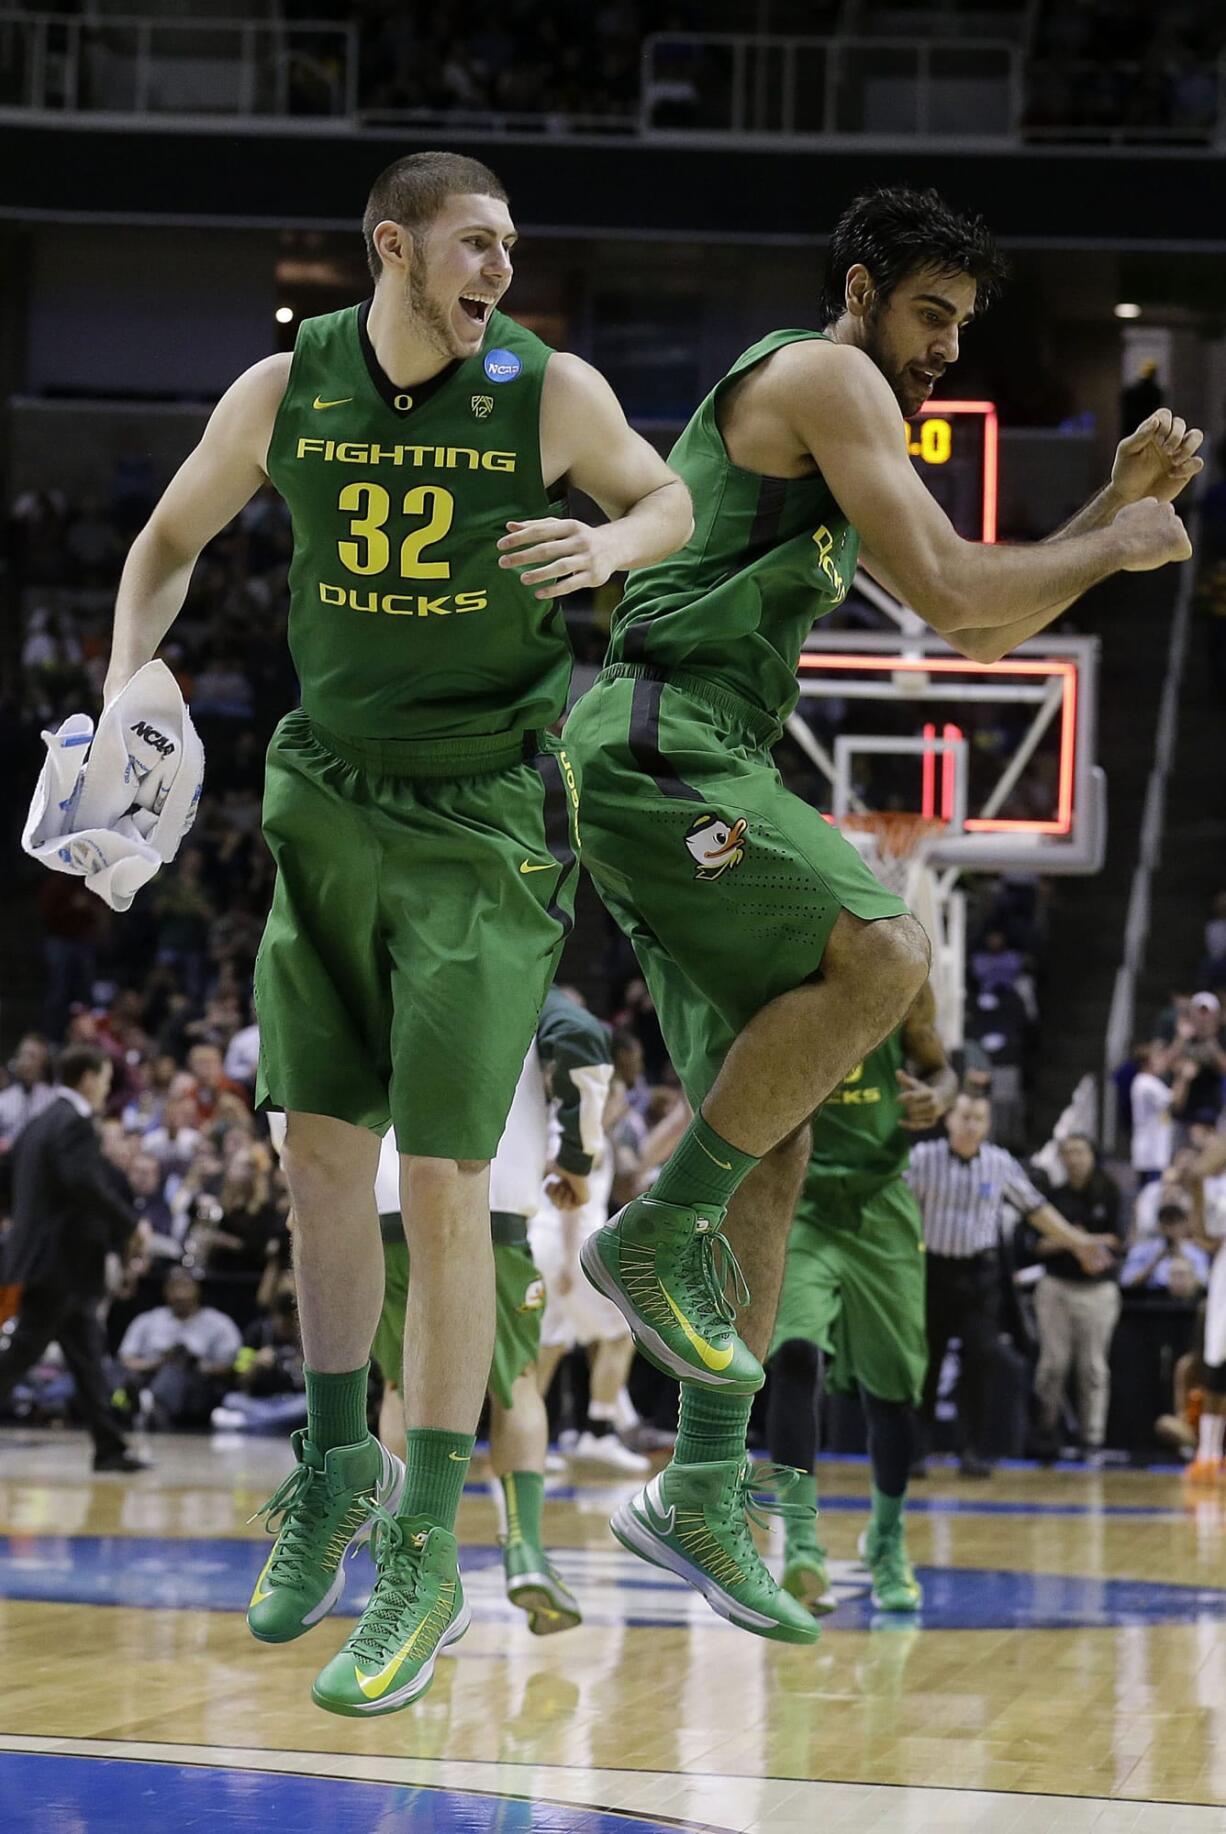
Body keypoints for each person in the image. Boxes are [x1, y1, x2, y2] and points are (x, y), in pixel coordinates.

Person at [560, 183, 1199, 1637]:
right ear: (860, 293)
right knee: (890, 944)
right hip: (668, 744)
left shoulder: (854, 404)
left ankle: (700, 1490)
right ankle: (652, 1234)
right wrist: (1112, 544)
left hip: (688, 759)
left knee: (774, 1138)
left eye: (963, 328)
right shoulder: (824, 372)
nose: (945, 350)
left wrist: (1107, 505)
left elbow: (971, 604)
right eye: (931, 314)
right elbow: (965, 611)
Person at [102, 150, 690, 1715]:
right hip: (325, 795)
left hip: (482, 814)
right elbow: (166, 545)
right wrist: (121, 687)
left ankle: (429, 1543)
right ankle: (333, 1467)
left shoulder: (542, 386)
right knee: (314, 1155)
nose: (501, 265)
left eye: (510, 244)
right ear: (395, 249)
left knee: (440, 1176)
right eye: (476, 243)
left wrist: (612, 550)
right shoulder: (282, 387)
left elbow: (669, 493)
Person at [368, 985, 613, 1637]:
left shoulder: (385, 964)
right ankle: (525, 1551)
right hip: (490, 1200)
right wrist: (578, 1157)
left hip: (388, 1199)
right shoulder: (524, 975)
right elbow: (585, 1038)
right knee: (517, 1386)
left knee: (401, 1385)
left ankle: (412, 1564)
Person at [766, 980, 957, 1616]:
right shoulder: (777, 971)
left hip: (881, 1201)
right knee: (793, 1355)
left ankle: (886, 1538)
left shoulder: (898, 975)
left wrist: (940, 1096)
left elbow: (940, 1069)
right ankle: (799, 1540)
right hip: (803, 1198)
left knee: (893, 1391)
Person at [908, 1093, 1112, 1477]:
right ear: (949, 1119)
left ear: (987, 1125)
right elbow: (893, 1210)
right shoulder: (922, 1159)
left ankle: (971, 1450)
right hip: (931, 1272)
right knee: (926, 1362)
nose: (971, 1125)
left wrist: (1078, 1242)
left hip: (980, 1275)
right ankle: (917, 1449)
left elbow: (1036, 1209)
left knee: (981, 1357)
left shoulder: (999, 1163)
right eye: (965, 1117)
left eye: (979, 1119)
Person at [0, 1045, 145, 1472]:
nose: (105, 1089)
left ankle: (109, 1447)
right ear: (86, 1078)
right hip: (60, 1263)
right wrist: (129, 1225)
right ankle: (109, 1446)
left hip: (54, 1262)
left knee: (86, 1356)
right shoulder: (73, 1123)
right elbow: (83, 1183)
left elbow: (8, 1180)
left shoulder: (38, 1122)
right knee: (22, 1353)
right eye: (103, 1079)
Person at [1029, 1135, 1123, 1461]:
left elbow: (1118, 1240)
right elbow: (1036, 1245)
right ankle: (1045, 1433)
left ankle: (1091, 1440)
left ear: (1092, 1155)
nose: (1073, 1159)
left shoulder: (1109, 1191)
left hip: (1098, 1290)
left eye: (1079, 1151)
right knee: (1053, 1364)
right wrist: (1078, 1241)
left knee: (1094, 1368)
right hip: (1056, 1285)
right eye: (1066, 1153)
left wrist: (1070, 1238)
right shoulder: (1051, 1197)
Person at [118, 1267, 243, 1427]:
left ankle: (149, 1405)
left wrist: (193, 1363)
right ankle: (149, 1405)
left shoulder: (219, 1323)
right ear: (165, 1291)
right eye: (174, 1287)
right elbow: (125, 1358)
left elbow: (230, 1366)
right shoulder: (147, 1320)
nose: (179, 1294)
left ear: (197, 1289)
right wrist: (159, 1362)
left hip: (198, 1382)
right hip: (151, 1374)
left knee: (176, 1372)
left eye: (185, 1287)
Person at [1120, 1203, 1211, 1296]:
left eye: (1175, 1223)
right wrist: (1155, 1262)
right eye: (1166, 1223)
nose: (1170, 1229)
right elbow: (1126, 1282)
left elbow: (1204, 1284)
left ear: (1184, 1225)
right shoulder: (1142, 1250)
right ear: (1159, 1226)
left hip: (1187, 1302)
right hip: (1150, 1300)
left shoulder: (1196, 1252)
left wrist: (1182, 1258)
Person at [0, 1034, 56, 1151]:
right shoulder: (4, 1099)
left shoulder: (54, 1099)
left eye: (32, 1056)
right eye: (22, 1055)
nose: (25, 1061)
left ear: (44, 1063)